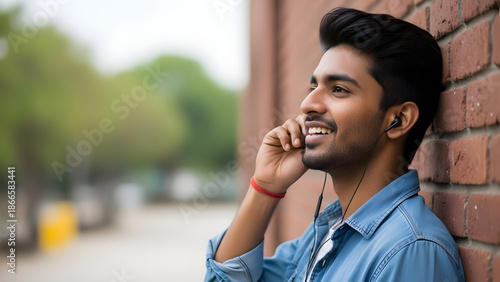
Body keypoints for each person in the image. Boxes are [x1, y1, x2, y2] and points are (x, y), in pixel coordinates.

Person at [205, 7, 465, 282]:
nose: (308, 104)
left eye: (338, 89)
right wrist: (265, 187)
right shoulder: (327, 231)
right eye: (313, 87)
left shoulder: (410, 251)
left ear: (398, 120)